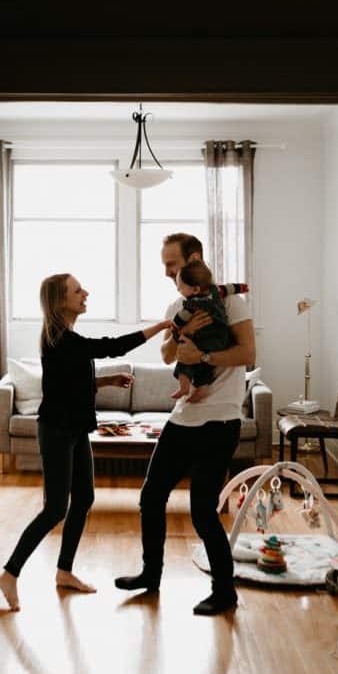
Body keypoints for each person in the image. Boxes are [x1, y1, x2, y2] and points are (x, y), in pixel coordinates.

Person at [0, 273, 172, 611]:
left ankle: (64, 571)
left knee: (85, 497)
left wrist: (104, 380)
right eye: (77, 291)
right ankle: (10, 573)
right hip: (57, 431)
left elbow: (70, 384)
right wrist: (160, 326)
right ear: (61, 301)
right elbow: (111, 347)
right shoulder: (60, 339)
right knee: (55, 508)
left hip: (73, 429)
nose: (85, 293)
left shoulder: (65, 339)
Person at [115, 233, 256, 616]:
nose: (166, 272)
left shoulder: (231, 302)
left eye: (172, 264)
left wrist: (205, 353)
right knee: (151, 496)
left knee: (202, 511)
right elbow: (164, 354)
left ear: (193, 258)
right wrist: (183, 333)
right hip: (183, 419)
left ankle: (224, 592)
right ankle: (150, 574)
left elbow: (248, 352)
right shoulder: (178, 302)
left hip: (220, 420)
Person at [169, 259, 249, 403]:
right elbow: (229, 288)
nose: (178, 290)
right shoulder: (217, 292)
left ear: (195, 290)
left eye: (180, 287)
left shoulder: (191, 304)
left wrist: (175, 328)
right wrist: (242, 287)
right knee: (205, 366)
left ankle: (184, 386)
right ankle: (203, 388)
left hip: (204, 339)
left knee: (185, 360)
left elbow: (179, 320)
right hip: (222, 339)